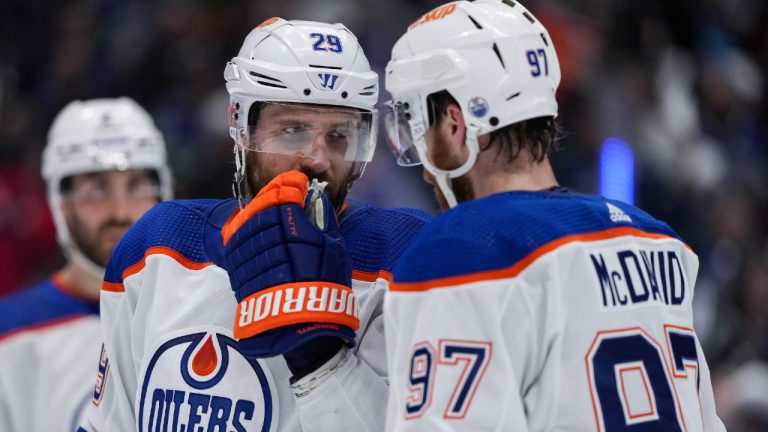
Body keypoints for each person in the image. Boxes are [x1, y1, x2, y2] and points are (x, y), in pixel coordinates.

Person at [382, 1, 725, 430]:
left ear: (455, 125)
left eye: (415, 123)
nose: (416, 151)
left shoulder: (459, 251)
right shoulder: (659, 241)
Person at [77, 18, 431, 432]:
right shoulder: (156, 245)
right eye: (293, 129)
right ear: (242, 126)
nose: (317, 158)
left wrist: (322, 363)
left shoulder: (404, 254)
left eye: (340, 134)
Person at [0, 97, 172, 432]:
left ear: (162, 194)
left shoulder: (199, 312)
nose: (121, 211)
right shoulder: (8, 333)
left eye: (137, 185)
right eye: (97, 189)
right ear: (62, 205)